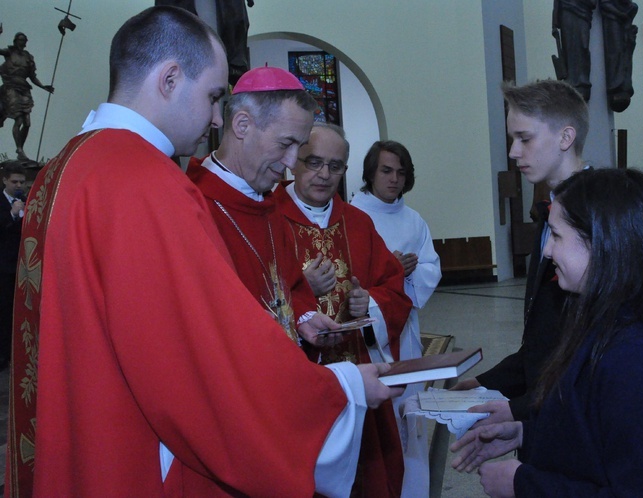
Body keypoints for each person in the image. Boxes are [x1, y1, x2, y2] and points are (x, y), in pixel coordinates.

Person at [6, 7, 401, 497]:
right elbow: (200, 359)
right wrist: (341, 389)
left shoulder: (63, 166)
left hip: (79, 438)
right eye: (213, 96)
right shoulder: (146, 182)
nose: (217, 117)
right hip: (133, 458)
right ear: (170, 78)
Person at [451, 168, 643, 497]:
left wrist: (523, 484)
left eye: (556, 235)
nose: (547, 252)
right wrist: (526, 432)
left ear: (601, 241)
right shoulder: (610, 318)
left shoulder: (637, 358)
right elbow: (596, 426)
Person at [275, 122, 413, 497]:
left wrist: (370, 301)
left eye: (336, 166)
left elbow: (396, 290)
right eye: (314, 162)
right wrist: (300, 291)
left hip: (357, 381)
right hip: (297, 387)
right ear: (293, 161)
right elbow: (246, 294)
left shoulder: (358, 223)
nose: (324, 175)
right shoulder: (268, 219)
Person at [453, 79, 588, 426]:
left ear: (565, 137)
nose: (513, 152)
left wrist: (519, 410)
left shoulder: (599, 220)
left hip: (576, 423)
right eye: (513, 140)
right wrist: (488, 383)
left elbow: (590, 359)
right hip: (545, 406)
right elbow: (546, 337)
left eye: (524, 139)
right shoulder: (554, 211)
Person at [187, 66, 341, 354]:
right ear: (242, 125)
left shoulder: (267, 204)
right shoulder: (193, 206)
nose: (291, 162)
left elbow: (287, 287)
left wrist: (303, 317)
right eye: (285, 144)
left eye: (299, 146)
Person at [350, 140, 442, 497]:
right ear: (370, 172)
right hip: (369, 334)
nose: (394, 179)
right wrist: (388, 270)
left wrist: (404, 275)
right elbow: (350, 276)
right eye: (386, 171)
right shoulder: (352, 215)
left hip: (406, 331)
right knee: (379, 417)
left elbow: (430, 267)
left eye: (401, 172)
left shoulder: (414, 220)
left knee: (410, 412)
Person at [0, 28, 54, 161]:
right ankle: (19, 150)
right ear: (15, 41)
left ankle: (20, 149)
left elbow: (32, 76)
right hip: (11, 88)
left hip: (24, 89)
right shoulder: (9, 52)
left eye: (24, 41)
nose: (22, 43)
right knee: (18, 120)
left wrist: (43, 86)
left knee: (27, 123)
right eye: (20, 40)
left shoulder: (28, 57)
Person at [0, 161, 25, 369]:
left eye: (22, 182)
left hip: (22, 267)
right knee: (3, 311)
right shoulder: (4, 202)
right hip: (3, 266)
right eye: (15, 181)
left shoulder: (27, 201)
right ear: (5, 180)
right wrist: (12, 214)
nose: (19, 185)